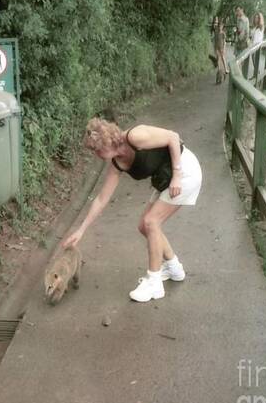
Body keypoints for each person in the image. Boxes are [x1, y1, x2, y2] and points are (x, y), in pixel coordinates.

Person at [61, 118, 203, 303]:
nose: (95, 154)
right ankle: (174, 268)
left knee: (151, 222)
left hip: (184, 171)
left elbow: (173, 137)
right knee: (144, 226)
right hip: (166, 179)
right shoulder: (116, 164)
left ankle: (154, 283)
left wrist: (177, 175)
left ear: (106, 142)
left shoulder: (135, 136)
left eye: (96, 149)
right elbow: (101, 199)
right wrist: (81, 229)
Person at [214, 18, 228, 84]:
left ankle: (225, 69)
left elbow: (225, 42)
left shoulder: (223, 33)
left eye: (221, 26)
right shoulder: (216, 32)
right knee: (218, 58)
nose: (220, 27)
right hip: (217, 46)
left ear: (222, 27)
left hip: (221, 47)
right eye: (219, 26)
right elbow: (215, 40)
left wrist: (224, 48)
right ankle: (219, 69)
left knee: (223, 58)